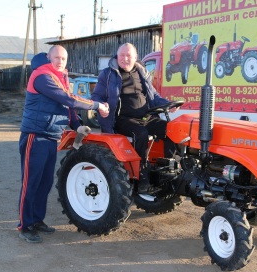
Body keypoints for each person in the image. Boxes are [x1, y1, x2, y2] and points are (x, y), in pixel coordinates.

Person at [18, 45, 109, 243]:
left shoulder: (60, 78)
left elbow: (67, 106)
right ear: (48, 58)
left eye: (64, 59)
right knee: (31, 182)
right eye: (57, 58)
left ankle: (37, 220)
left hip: (51, 136)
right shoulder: (42, 76)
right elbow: (68, 99)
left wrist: (77, 125)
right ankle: (25, 225)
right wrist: (96, 105)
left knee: (45, 182)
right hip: (35, 135)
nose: (60, 62)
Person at [91, 43, 178, 193]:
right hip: (122, 119)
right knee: (141, 134)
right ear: (117, 57)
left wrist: (168, 104)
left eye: (128, 56)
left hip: (146, 117)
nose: (125, 59)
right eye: (122, 56)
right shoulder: (108, 74)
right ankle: (141, 178)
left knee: (172, 130)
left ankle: (167, 171)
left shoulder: (141, 73)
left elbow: (154, 97)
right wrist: (100, 106)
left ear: (135, 57)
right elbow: (96, 96)